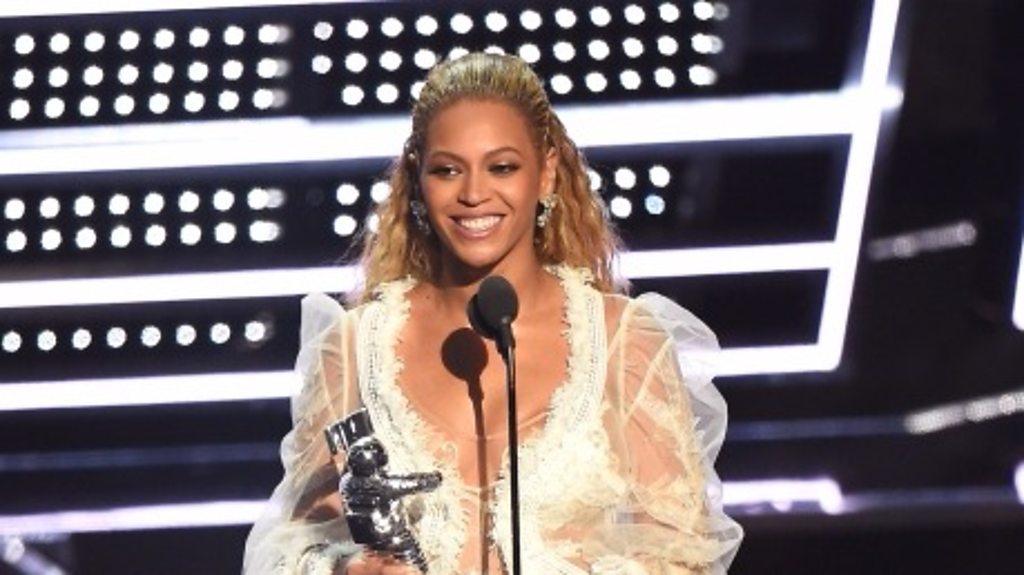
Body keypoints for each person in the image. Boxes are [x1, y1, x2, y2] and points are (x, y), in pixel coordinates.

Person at [243, 52, 743, 575]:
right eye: (447, 170)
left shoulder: (624, 346)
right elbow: (290, 547)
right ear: (417, 179)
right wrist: (347, 570)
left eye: (502, 167)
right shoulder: (352, 350)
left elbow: (683, 558)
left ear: (547, 173)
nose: (474, 194)